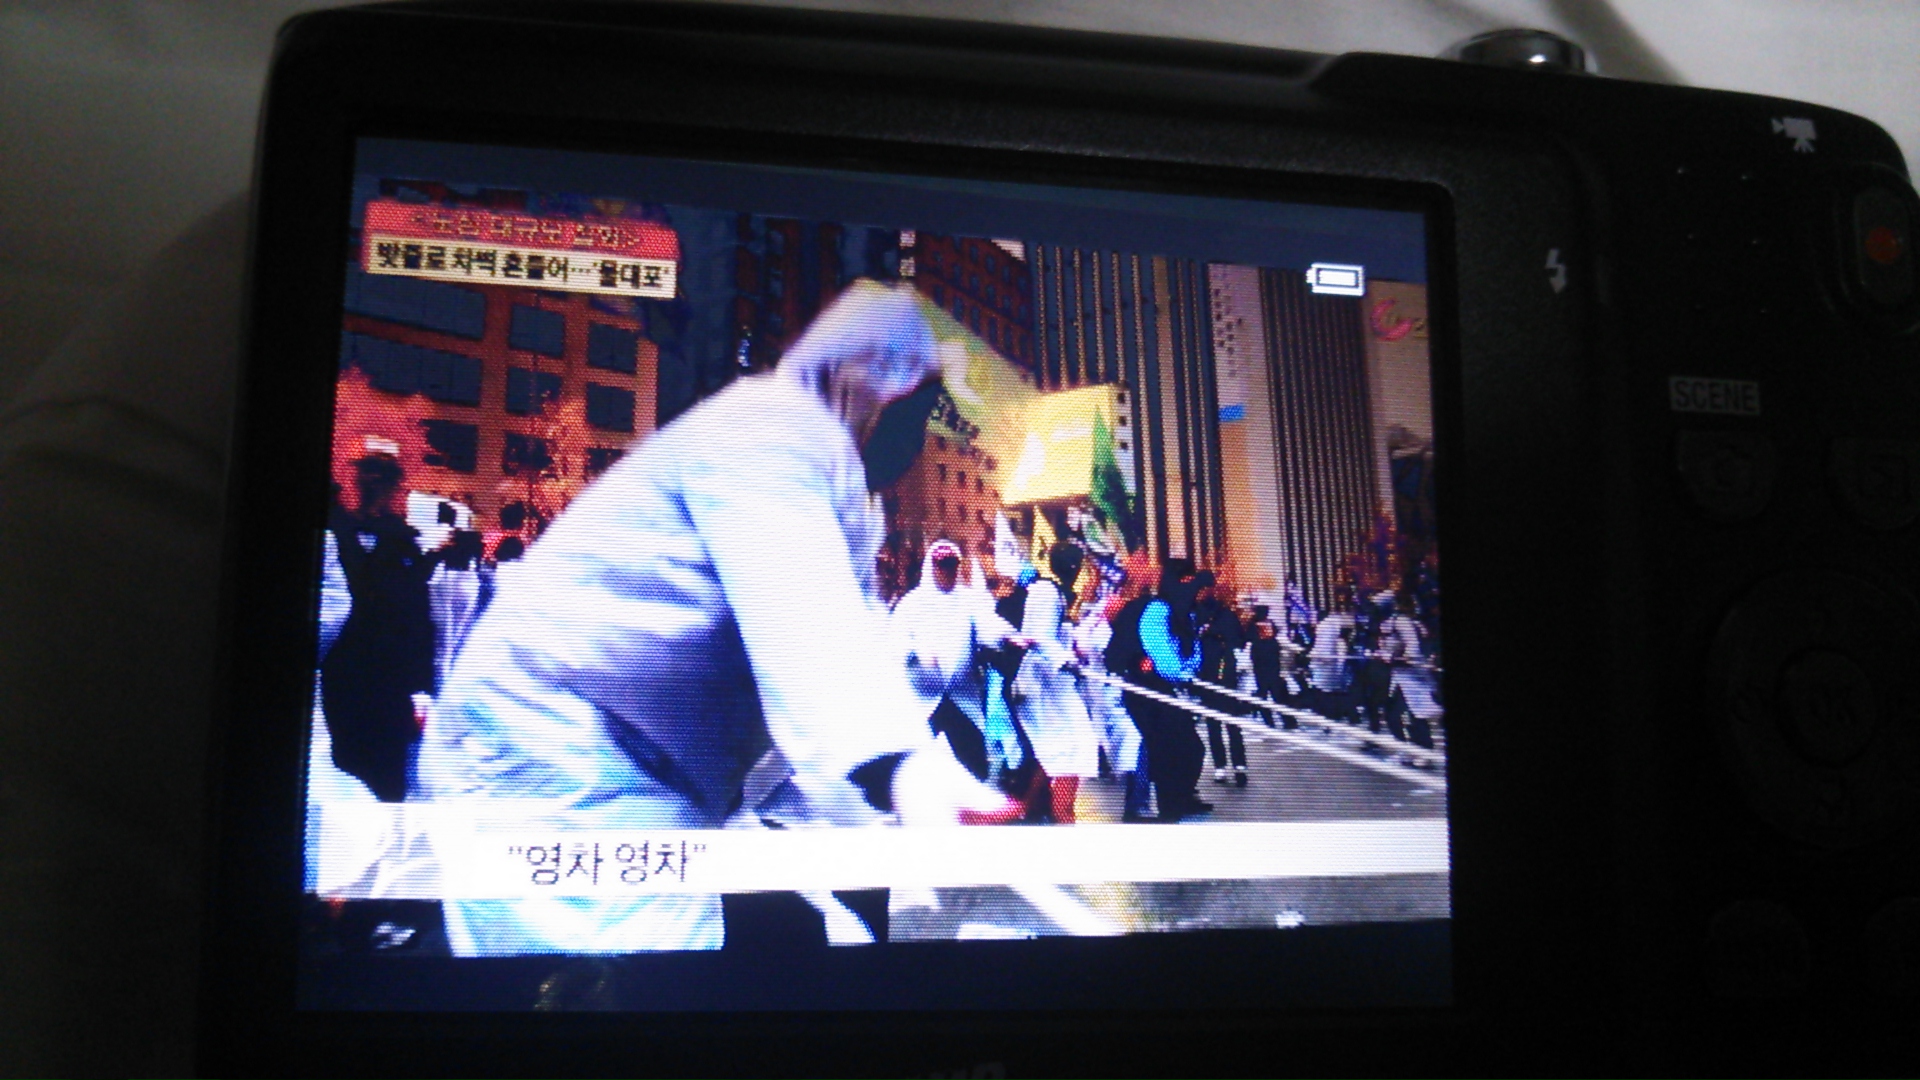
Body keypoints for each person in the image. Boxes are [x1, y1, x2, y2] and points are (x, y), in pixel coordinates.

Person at [416, 281, 1017, 957]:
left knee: (800, 941)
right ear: (862, 375)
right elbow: (803, 620)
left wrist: (890, 807)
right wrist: (902, 769)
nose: (914, 432)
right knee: (628, 992)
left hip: (647, 772)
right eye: (914, 402)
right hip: (556, 746)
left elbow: (825, 675)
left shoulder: (835, 485)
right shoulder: (770, 426)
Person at [319, 453, 440, 803]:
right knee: (345, 763)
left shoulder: (402, 541)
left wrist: (420, 685)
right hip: (344, 672)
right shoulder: (336, 533)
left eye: (380, 479)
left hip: (386, 677)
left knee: (383, 772)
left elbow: (418, 616)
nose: (371, 486)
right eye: (366, 477)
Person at [890, 538, 1021, 781]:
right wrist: (917, 656)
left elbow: (988, 624)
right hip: (925, 699)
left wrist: (1008, 636)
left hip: (963, 696)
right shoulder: (911, 604)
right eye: (942, 565)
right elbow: (896, 645)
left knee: (974, 763)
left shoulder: (969, 599)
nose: (947, 571)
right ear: (932, 566)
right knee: (918, 766)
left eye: (952, 564)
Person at [1007, 541, 1102, 823]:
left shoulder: (1056, 592)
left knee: (1055, 750)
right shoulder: (1046, 592)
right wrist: (1067, 661)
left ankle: (1028, 808)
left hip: (1054, 682)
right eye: (1077, 564)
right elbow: (1039, 637)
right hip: (1042, 683)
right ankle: (1062, 814)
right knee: (1074, 746)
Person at [1130, 559, 1212, 822]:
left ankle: (1183, 797)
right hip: (1151, 689)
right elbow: (1161, 655)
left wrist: (1190, 672)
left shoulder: (1186, 613)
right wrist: (1182, 674)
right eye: (1187, 583)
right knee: (1169, 748)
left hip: (1175, 687)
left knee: (1192, 748)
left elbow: (1194, 652)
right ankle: (1169, 805)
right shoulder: (1157, 610)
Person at [1194, 581, 1249, 787]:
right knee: (1232, 724)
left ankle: (1221, 767)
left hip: (1209, 676)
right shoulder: (1228, 616)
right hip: (1226, 676)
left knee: (1214, 724)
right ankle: (1239, 767)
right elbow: (1240, 640)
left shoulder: (1197, 616)